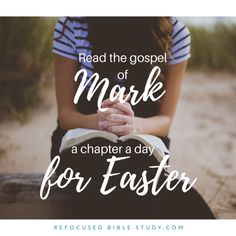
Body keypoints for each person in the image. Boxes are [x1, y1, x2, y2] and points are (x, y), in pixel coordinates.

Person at [50, 17, 215, 219]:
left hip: (143, 145)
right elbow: (66, 115)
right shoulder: (72, 26)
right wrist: (98, 121)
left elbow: (165, 121)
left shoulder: (175, 34)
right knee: (110, 172)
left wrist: (134, 126)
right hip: (79, 143)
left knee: (130, 168)